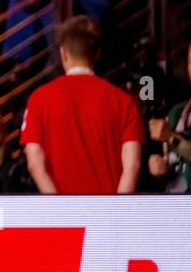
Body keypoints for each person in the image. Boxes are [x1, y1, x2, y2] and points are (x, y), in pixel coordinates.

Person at [21, 17, 143, 195]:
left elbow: (34, 163)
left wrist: (58, 207)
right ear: (97, 53)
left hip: (62, 214)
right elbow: (132, 165)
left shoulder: (39, 99)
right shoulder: (123, 101)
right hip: (107, 213)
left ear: (63, 53)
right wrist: (117, 211)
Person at [148, 37, 191, 194]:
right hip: (176, 204)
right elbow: (171, 160)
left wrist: (171, 138)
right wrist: (159, 166)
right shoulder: (177, 111)